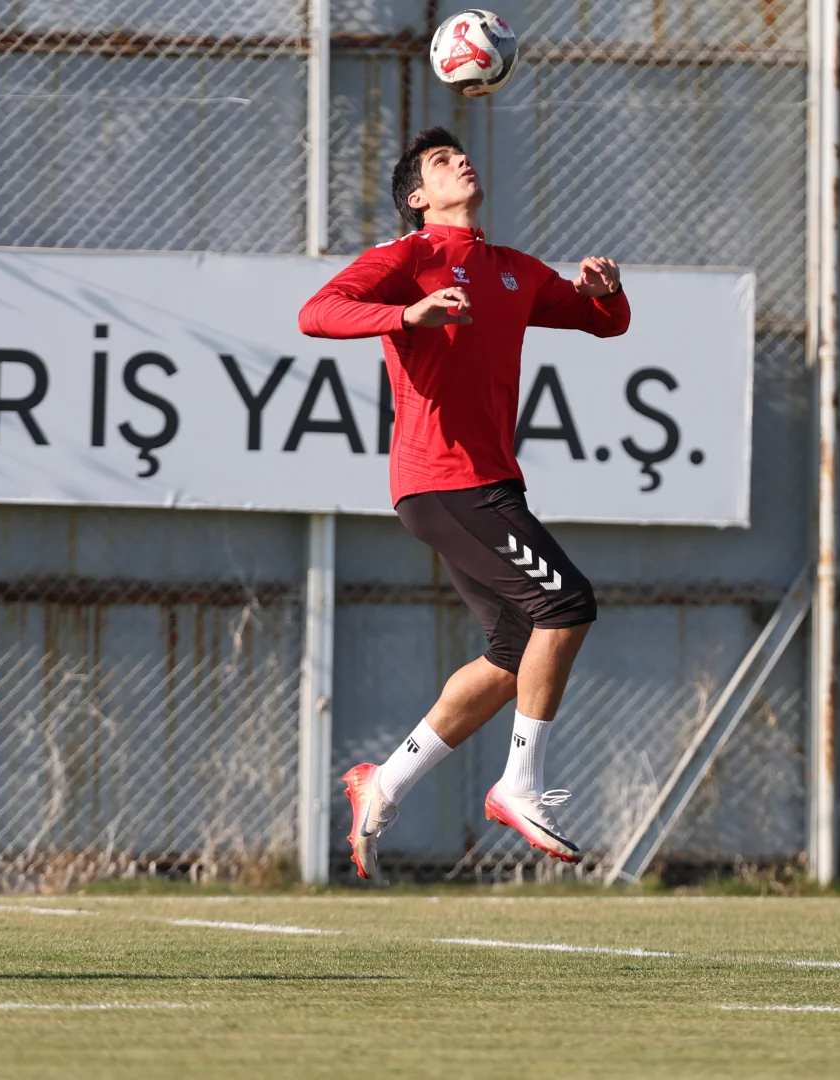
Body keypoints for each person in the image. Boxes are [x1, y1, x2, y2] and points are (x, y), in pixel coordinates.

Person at [298, 126, 630, 879]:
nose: (461, 162)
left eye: (461, 154)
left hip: (487, 482)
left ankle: (382, 785)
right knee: (568, 604)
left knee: (515, 653)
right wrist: (404, 315)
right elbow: (316, 313)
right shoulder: (409, 258)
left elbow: (601, 323)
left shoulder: (511, 270)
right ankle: (518, 785)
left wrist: (607, 294)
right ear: (419, 199)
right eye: (442, 162)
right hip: (444, 481)